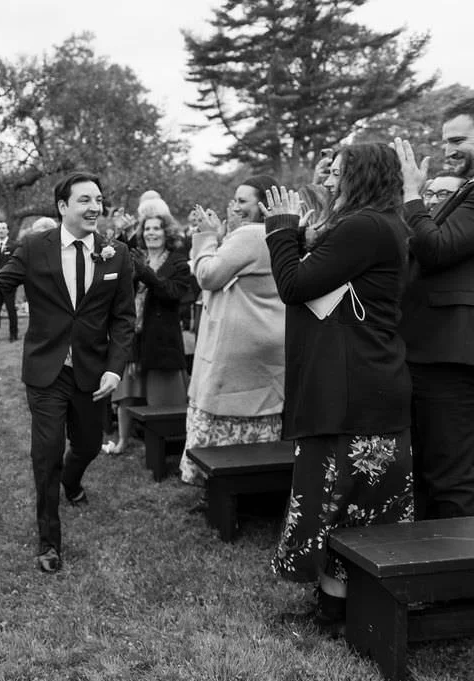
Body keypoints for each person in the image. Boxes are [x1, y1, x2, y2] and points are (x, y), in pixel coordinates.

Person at [264, 143, 413, 636]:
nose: (331, 177)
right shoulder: (383, 224)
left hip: (350, 391)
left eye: (339, 171)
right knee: (356, 508)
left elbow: (294, 284)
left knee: (336, 501)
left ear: (363, 176)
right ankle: (334, 605)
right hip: (371, 384)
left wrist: (281, 229)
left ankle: (335, 612)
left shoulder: (364, 226)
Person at [0, 171, 136, 573]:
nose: (96, 207)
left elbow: (124, 319)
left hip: (94, 373)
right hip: (46, 370)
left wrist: (115, 369)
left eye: (98, 199)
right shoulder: (33, 247)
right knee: (46, 455)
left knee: (90, 444)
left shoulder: (118, 254)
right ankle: (49, 541)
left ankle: (72, 483)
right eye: (85, 200)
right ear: (63, 207)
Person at [178, 176, 286, 491]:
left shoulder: (252, 235)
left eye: (242, 201)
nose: (235, 207)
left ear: (263, 204)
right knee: (257, 414)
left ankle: (218, 487)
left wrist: (207, 237)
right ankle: (253, 487)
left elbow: (208, 275)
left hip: (237, 346)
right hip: (266, 339)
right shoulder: (279, 234)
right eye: (235, 200)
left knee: (223, 414)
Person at [394, 98, 474, 519]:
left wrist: (412, 194)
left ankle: (455, 579)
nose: (448, 150)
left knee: (451, 476)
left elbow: (437, 248)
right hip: (429, 348)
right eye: (445, 141)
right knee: (429, 468)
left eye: (458, 139)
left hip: (450, 353)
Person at [109, 210, 194, 455]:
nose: (151, 233)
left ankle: (169, 446)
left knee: (163, 397)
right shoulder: (136, 256)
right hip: (133, 335)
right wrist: (122, 238)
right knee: (127, 394)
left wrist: (146, 272)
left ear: (166, 233)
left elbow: (173, 293)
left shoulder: (177, 262)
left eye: (156, 228)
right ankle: (123, 441)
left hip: (162, 338)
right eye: (147, 229)